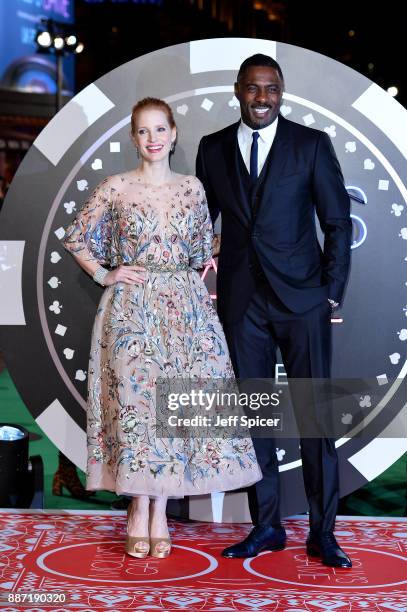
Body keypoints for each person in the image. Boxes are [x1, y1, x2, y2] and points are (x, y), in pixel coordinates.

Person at [63, 97, 261, 559]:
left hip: (185, 310)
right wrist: (105, 274)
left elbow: (199, 253)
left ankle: (160, 510)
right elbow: (76, 239)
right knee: (136, 408)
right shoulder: (115, 188)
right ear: (134, 138)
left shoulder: (192, 189)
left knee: (175, 409)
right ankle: (138, 508)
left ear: (173, 134)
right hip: (131, 311)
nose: (152, 139)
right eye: (143, 131)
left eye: (160, 129)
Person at [196, 55, 352, 568]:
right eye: (254, 89)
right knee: (256, 418)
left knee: (314, 421)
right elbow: (202, 227)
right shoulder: (212, 149)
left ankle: (322, 533)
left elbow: (337, 222)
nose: (263, 98)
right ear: (238, 90)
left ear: (281, 93)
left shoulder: (311, 145)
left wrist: (330, 292)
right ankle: (266, 527)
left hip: (303, 301)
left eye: (272, 89)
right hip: (243, 305)